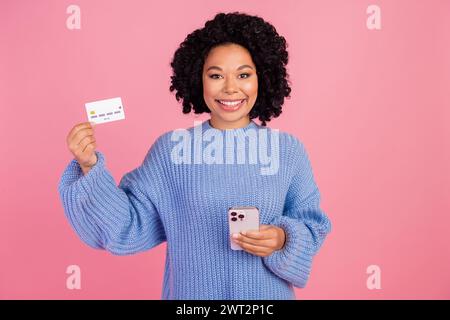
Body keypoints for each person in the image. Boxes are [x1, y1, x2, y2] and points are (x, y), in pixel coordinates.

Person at [58, 12, 332, 300]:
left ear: (262, 77)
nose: (230, 87)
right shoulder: (171, 151)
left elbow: (313, 227)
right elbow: (127, 226)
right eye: (216, 75)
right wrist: (89, 166)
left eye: (243, 74)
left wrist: (282, 239)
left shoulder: (288, 151)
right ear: (197, 79)